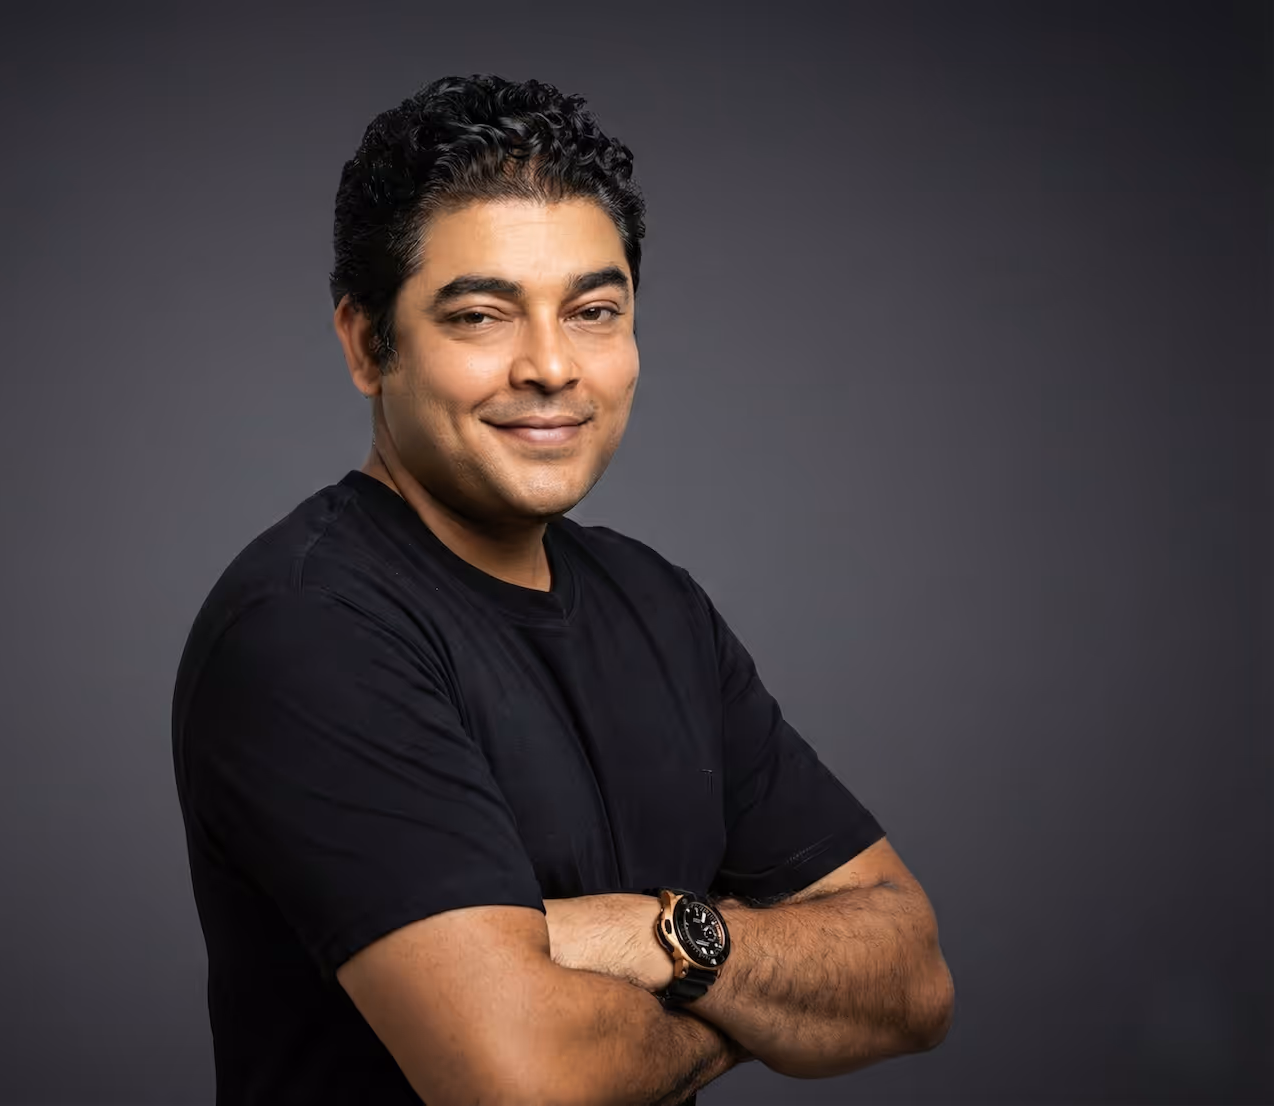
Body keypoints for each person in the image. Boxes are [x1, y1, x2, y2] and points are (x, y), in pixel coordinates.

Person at [171, 73, 954, 1106]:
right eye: (481, 316)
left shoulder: (657, 604)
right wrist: (752, 1002)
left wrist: (654, 935)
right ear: (368, 344)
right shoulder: (311, 626)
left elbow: (909, 974)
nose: (550, 365)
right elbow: (527, 1078)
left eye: (592, 311)